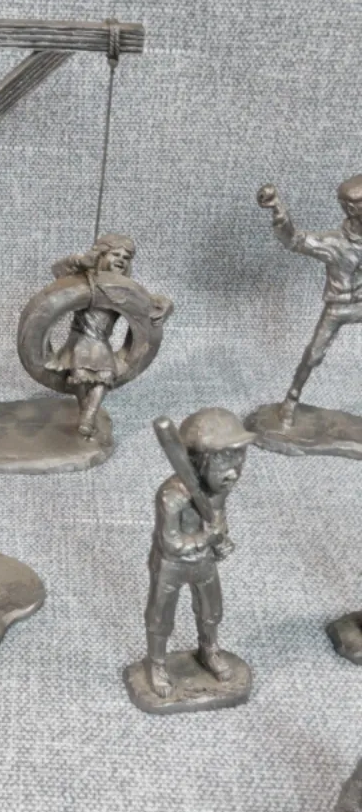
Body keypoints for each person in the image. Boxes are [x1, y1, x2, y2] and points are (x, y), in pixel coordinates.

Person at [144, 408, 254, 698]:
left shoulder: (220, 489)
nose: (234, 472)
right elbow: (171, 543)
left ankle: (209, 650)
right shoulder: (172, 496)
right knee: (160, 616)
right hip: (171, 566)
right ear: (198, 460)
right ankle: (156, 664)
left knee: (211, 610)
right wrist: (208, 537)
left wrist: (221, 539)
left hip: (203, 561)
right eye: (224, 462)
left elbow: (218, 516)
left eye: (239, 461)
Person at [258, 176, 362, 427]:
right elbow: (293, 240)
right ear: (351, 209)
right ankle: (291, 400)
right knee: (314, 354)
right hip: (339, 307)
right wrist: (277, 209)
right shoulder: (333, 243)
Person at [45, 232, 136, 438]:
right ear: (101, 255)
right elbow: (57, 270)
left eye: (126, 257)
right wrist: (81, 261)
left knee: (104, 378)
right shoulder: (85, 280)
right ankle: (85, 411)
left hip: (101, 342)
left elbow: (148, 307)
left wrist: (166, 305)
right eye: (115, 254)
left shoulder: (126, 290)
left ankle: (89, 415)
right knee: (80, 378)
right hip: (80, 339)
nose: (121, 260)